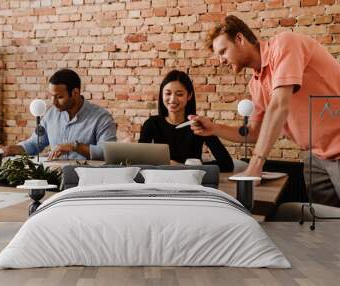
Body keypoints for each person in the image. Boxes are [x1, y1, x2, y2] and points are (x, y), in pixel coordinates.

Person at [189, 15, 340, 206]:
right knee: (325, 227)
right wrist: (214, 128)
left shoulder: (285, 44)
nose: (221, 61)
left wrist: (255, 164)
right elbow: (253, 133)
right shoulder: (256, 84)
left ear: (239, 39)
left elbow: (279, 105)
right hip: (316, 157)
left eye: (223, 51)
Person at [3, 69, 117, 160]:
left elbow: (107, 153)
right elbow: (34, 143)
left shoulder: (101, 118)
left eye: (59, 97)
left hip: (86, 181)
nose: (53, 102)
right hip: (54, 177)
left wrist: (75, 146)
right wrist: (10, 149)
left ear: (75, 93)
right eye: (52, 96)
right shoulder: (50, 114)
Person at [139, 70, 234, 172]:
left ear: (189, 96)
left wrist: (185, 167)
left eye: (179, 94)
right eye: (168, 93)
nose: (172, 99)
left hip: (191, 180)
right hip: (160, 179)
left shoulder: (198, 124)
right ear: (162, 95)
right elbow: (140, 161)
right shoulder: (152, 124)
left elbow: (227, 164)